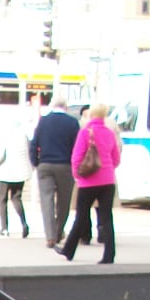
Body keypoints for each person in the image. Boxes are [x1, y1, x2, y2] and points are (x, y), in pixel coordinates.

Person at [59, 102, 122, 264]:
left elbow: (76, 156)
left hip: (88, 181)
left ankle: (69, 250)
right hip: (108, 181)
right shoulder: (109, 133)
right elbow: (116, 158)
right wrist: (107, 170)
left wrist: (77, 176)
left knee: (81, 216)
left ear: (90, 115)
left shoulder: (85, 133)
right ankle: (109, 254)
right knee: (106, 217)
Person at [29, 93, 81, 247]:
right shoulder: (72, 123)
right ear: (65, 107)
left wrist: (36, 163)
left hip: (45, 165)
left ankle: (50, 236)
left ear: (52, 106)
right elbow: (77, 147)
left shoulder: (43, 121)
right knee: (64, 202)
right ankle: (58, 232)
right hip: (65, 165)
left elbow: (33, 144)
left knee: (47, 200)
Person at [0, 117, 33, 237]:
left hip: (5, 173)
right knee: (16, 198)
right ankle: (24, 223)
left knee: (2, 200)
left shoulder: (4, 135)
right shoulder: (23, 136)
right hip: (21, 172)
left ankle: (4, 228)